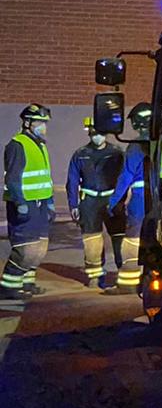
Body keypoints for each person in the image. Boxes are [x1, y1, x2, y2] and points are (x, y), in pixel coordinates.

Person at [2, 104, 55, 301]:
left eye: (45, 123)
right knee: (26, 248)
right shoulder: (17, 145)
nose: (44, 127)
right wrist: (19, 202)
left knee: (39, 248)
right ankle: (9, 285)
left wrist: (49, 201)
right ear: (27, 123)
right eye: (40, 122)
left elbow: (44, 176)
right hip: (25, 204)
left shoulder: (40, 145)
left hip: (40, 204)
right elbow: (12, 178)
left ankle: (27, 283)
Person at [67, 117, 126, 290]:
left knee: (119, 239)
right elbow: (72, 181)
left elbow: (124, 178)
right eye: (93, 133)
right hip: (90, 201)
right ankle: (95, 276)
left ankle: (122, 274)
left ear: (106, 134)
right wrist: (74, 205)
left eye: (99, 133)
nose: (96, 137)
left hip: (112, 200)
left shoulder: (116, 153)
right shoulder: (80, 154)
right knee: (92, 240)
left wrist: (122, 201)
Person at [107, 103, 152, 295]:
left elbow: (125, 177)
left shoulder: (135, 147)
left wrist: (113, 202)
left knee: (132, 241)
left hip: (141, 201)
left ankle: (128, 283)